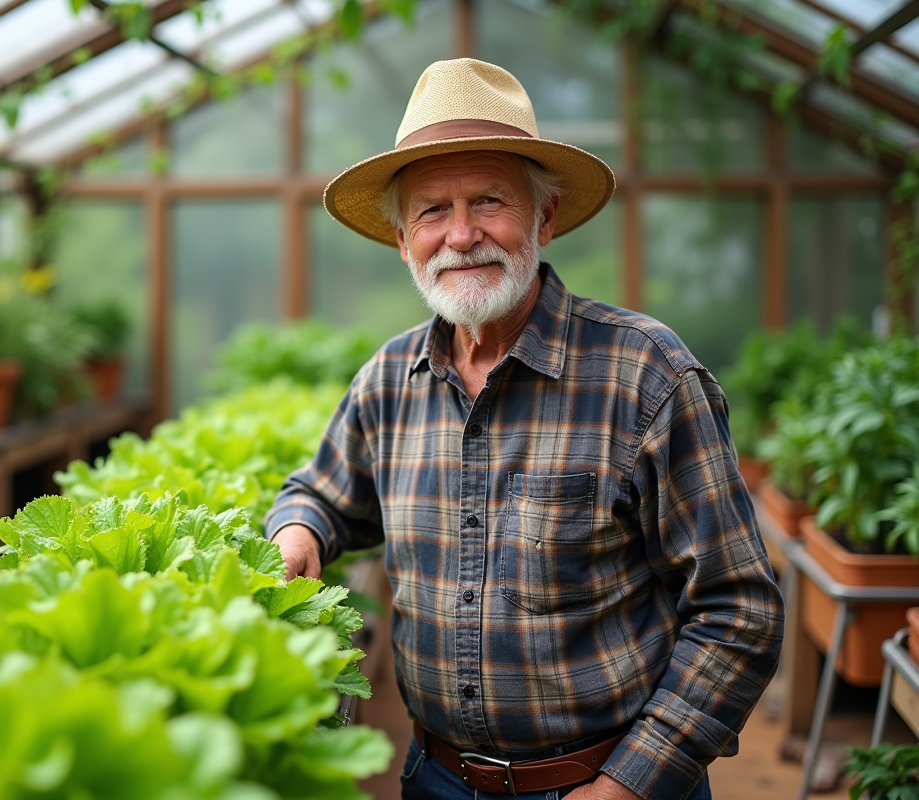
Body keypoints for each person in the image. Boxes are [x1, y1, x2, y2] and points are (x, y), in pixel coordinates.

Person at [265, 59, 784, 800]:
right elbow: (320, 492)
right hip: (437, 777)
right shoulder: (388, 379)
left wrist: (628, 784)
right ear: (402, 240)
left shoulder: (647, 375)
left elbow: (741, 610)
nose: (463, 234)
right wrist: (300, 533)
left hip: (607, 783)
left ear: (543, 218)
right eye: (432, 211)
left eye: (489, 201)